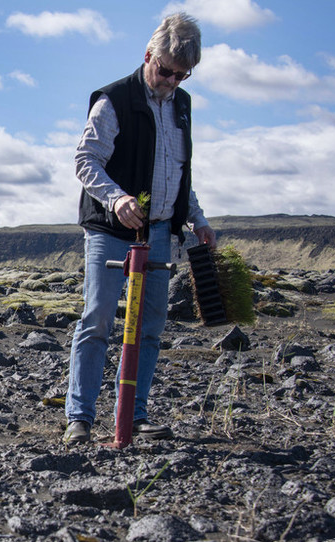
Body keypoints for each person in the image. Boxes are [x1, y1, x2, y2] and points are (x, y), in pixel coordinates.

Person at [64, 12, 217, 444]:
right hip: (111, 231)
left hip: (161, 233)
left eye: (182, 75)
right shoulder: (114, 100)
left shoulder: (182, 106)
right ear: (148, 54)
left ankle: (135, 414)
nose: (171, 81)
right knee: (97, 321)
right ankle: (80, 417)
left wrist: (197, 220)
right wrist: (118, 198)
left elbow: (178, 172)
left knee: (150, 328)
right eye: (166, 70)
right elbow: (85, 161)